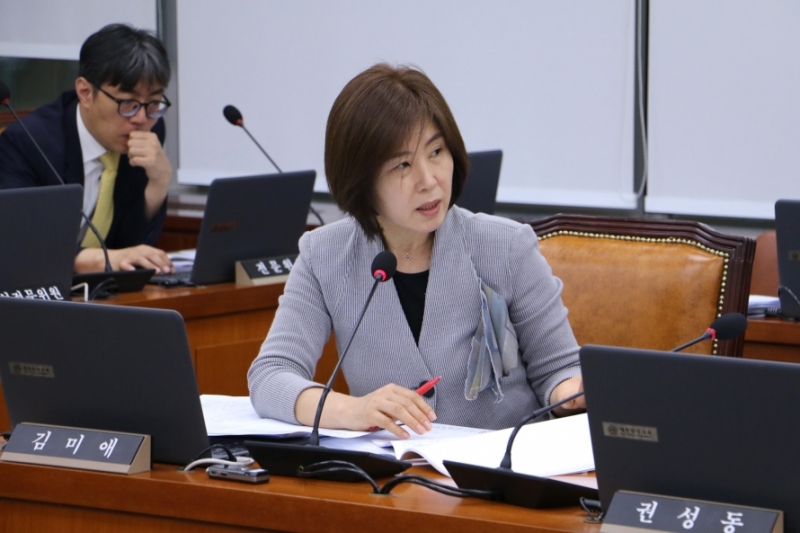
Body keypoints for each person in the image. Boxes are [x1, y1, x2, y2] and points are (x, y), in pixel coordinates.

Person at [248, 64, 584, 439]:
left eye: (436, 151)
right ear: (361, 179)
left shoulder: (506, 246)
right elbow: (270, 376)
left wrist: (571, 391)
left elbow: (560, 371)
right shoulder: (324, 255)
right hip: (393, 470)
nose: (429, 180)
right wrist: (352, 410)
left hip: (499, 466)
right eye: (403, 164)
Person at [0, 24, 175, 274]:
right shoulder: (29, 143)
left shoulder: (149, 131)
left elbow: (132, 247)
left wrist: (159, 183)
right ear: (85, 92)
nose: (141, 118)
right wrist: (100, 260)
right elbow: (18, 243)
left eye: (154, 102)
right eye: (128, 102)